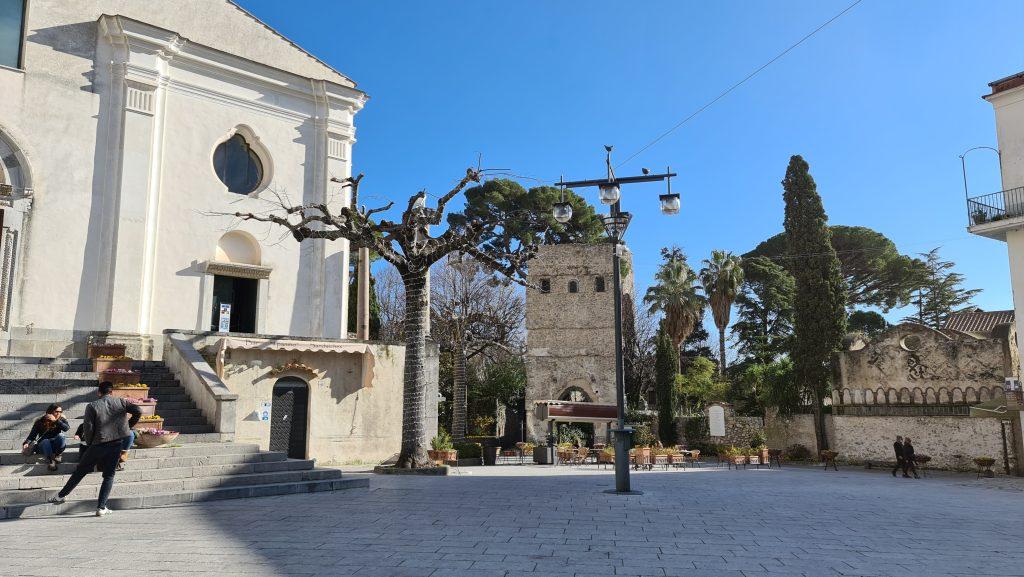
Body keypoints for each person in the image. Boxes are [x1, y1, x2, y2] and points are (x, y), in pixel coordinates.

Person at [48, 381, 141, 516]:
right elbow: (138, 410)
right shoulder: (121, 402)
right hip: (116, 443)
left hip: (98, 443)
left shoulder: (92, 406)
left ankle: (60, 496)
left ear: (99, 392)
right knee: (109, 476)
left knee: (80, 471)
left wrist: (91, 442)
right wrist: (127, 427)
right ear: (112, 392)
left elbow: (88, 427)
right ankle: (101, 507)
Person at [23, 404, 70, 471]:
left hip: (55, 445)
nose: (58, 413)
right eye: (56, 411)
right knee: (46, 441)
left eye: (60, 412)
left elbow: (66, 428)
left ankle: (58, 454)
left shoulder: (61, 420)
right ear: (50, 412)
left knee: (61, 436)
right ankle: (51, 461)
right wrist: (26, 443)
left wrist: (56, 421)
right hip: (43, 446)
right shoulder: (40, 421)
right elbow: (32, 435)